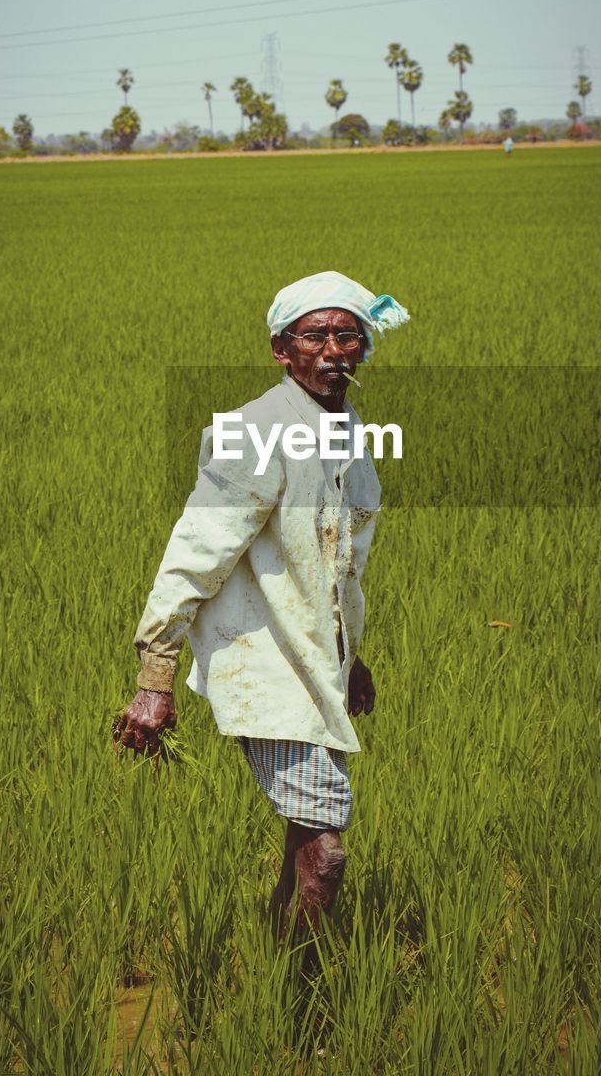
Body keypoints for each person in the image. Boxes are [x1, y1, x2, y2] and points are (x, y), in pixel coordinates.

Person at [114, 271, 409, 939]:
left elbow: (341, 566)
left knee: (306, 842)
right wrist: (153, 679)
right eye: (316, 335)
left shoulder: (347, 431)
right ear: (282, 349)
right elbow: (197, 551)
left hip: (314, 668)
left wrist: (349, 659)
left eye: (348, 334)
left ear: (364, 347)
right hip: (265, 665)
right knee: (325, 851)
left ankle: (279, 980)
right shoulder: (257, 431)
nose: (334, 349)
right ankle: (300, 1010)